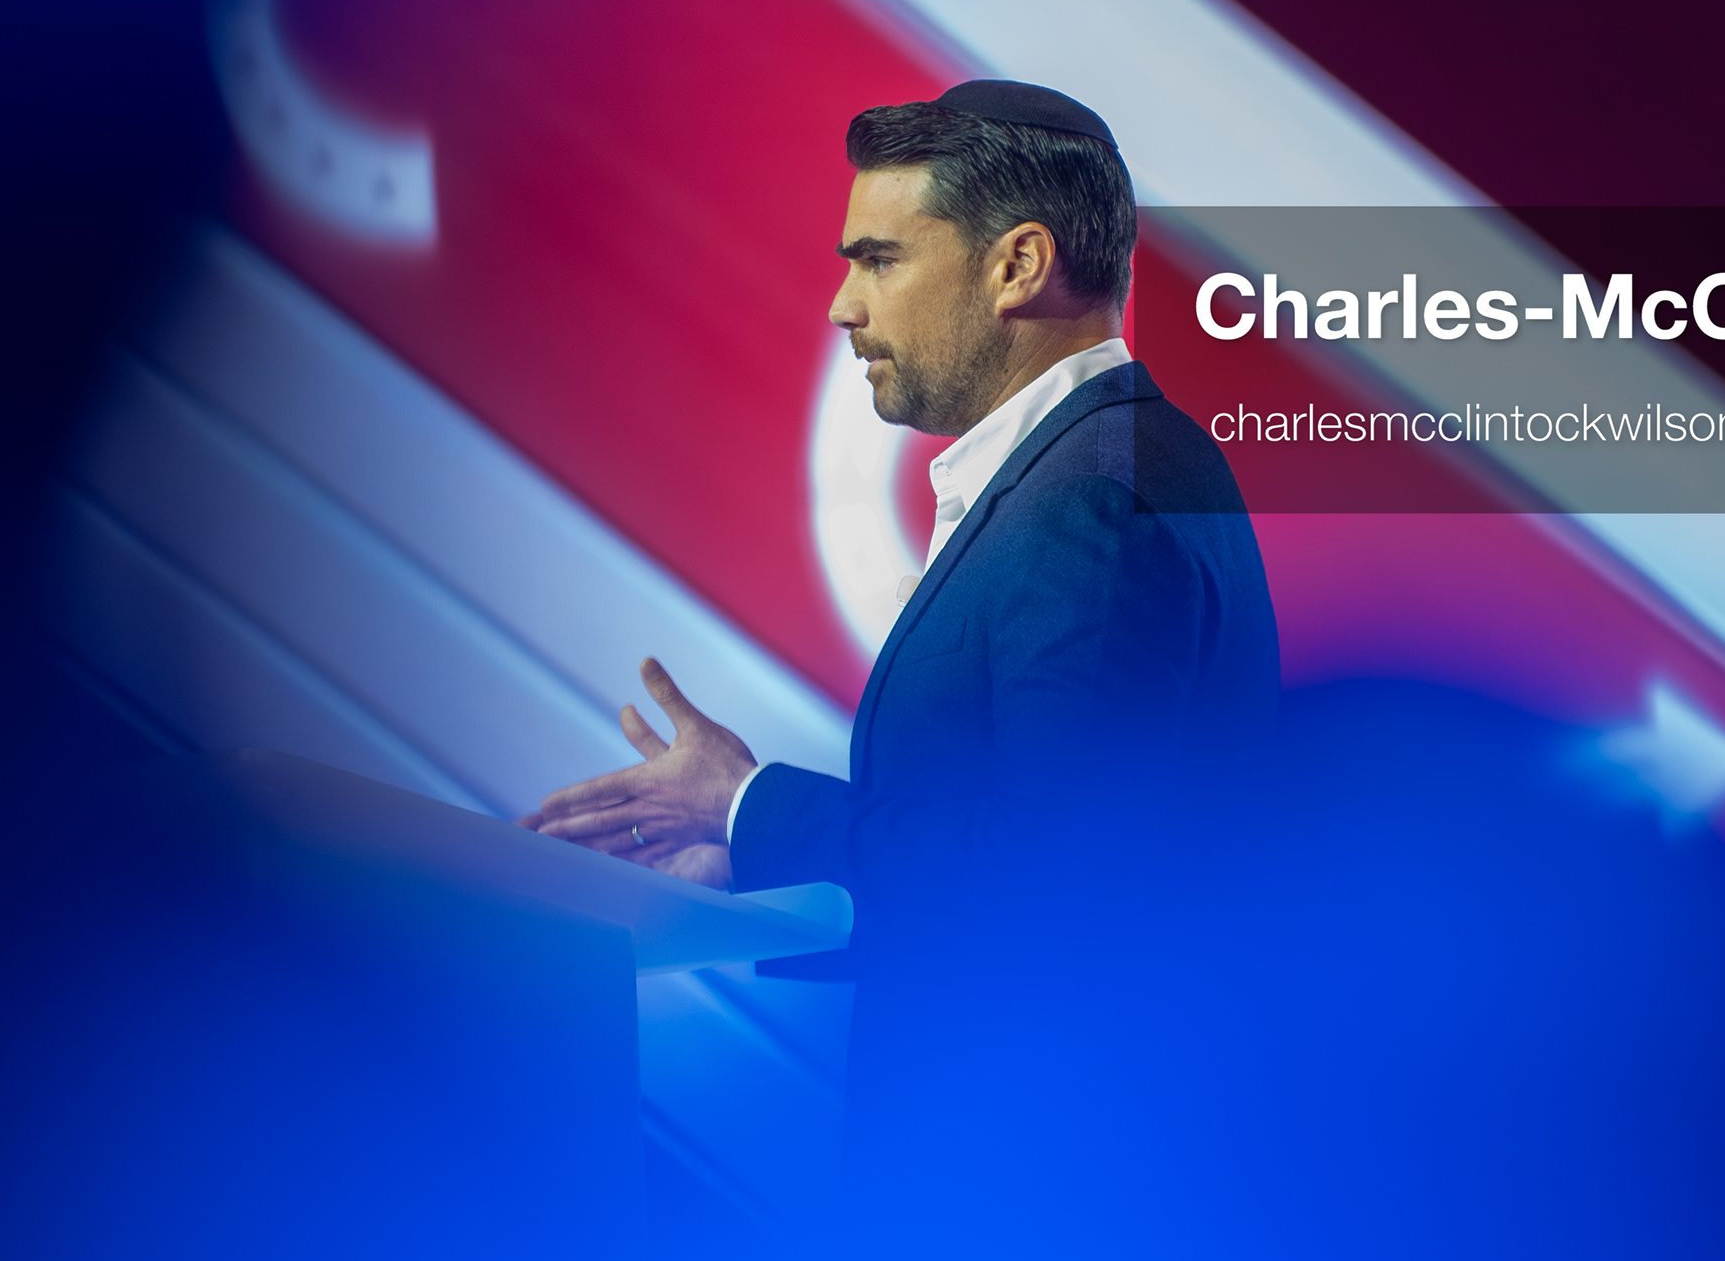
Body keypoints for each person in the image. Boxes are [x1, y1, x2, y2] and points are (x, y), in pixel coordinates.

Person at [524, 80, 1276, 945]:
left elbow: (1052, 884)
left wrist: (746, 805)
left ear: (1017, 266)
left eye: (878, 260)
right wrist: (749, 857)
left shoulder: (1089, 504)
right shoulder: (1119, 459)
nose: (844, 305)